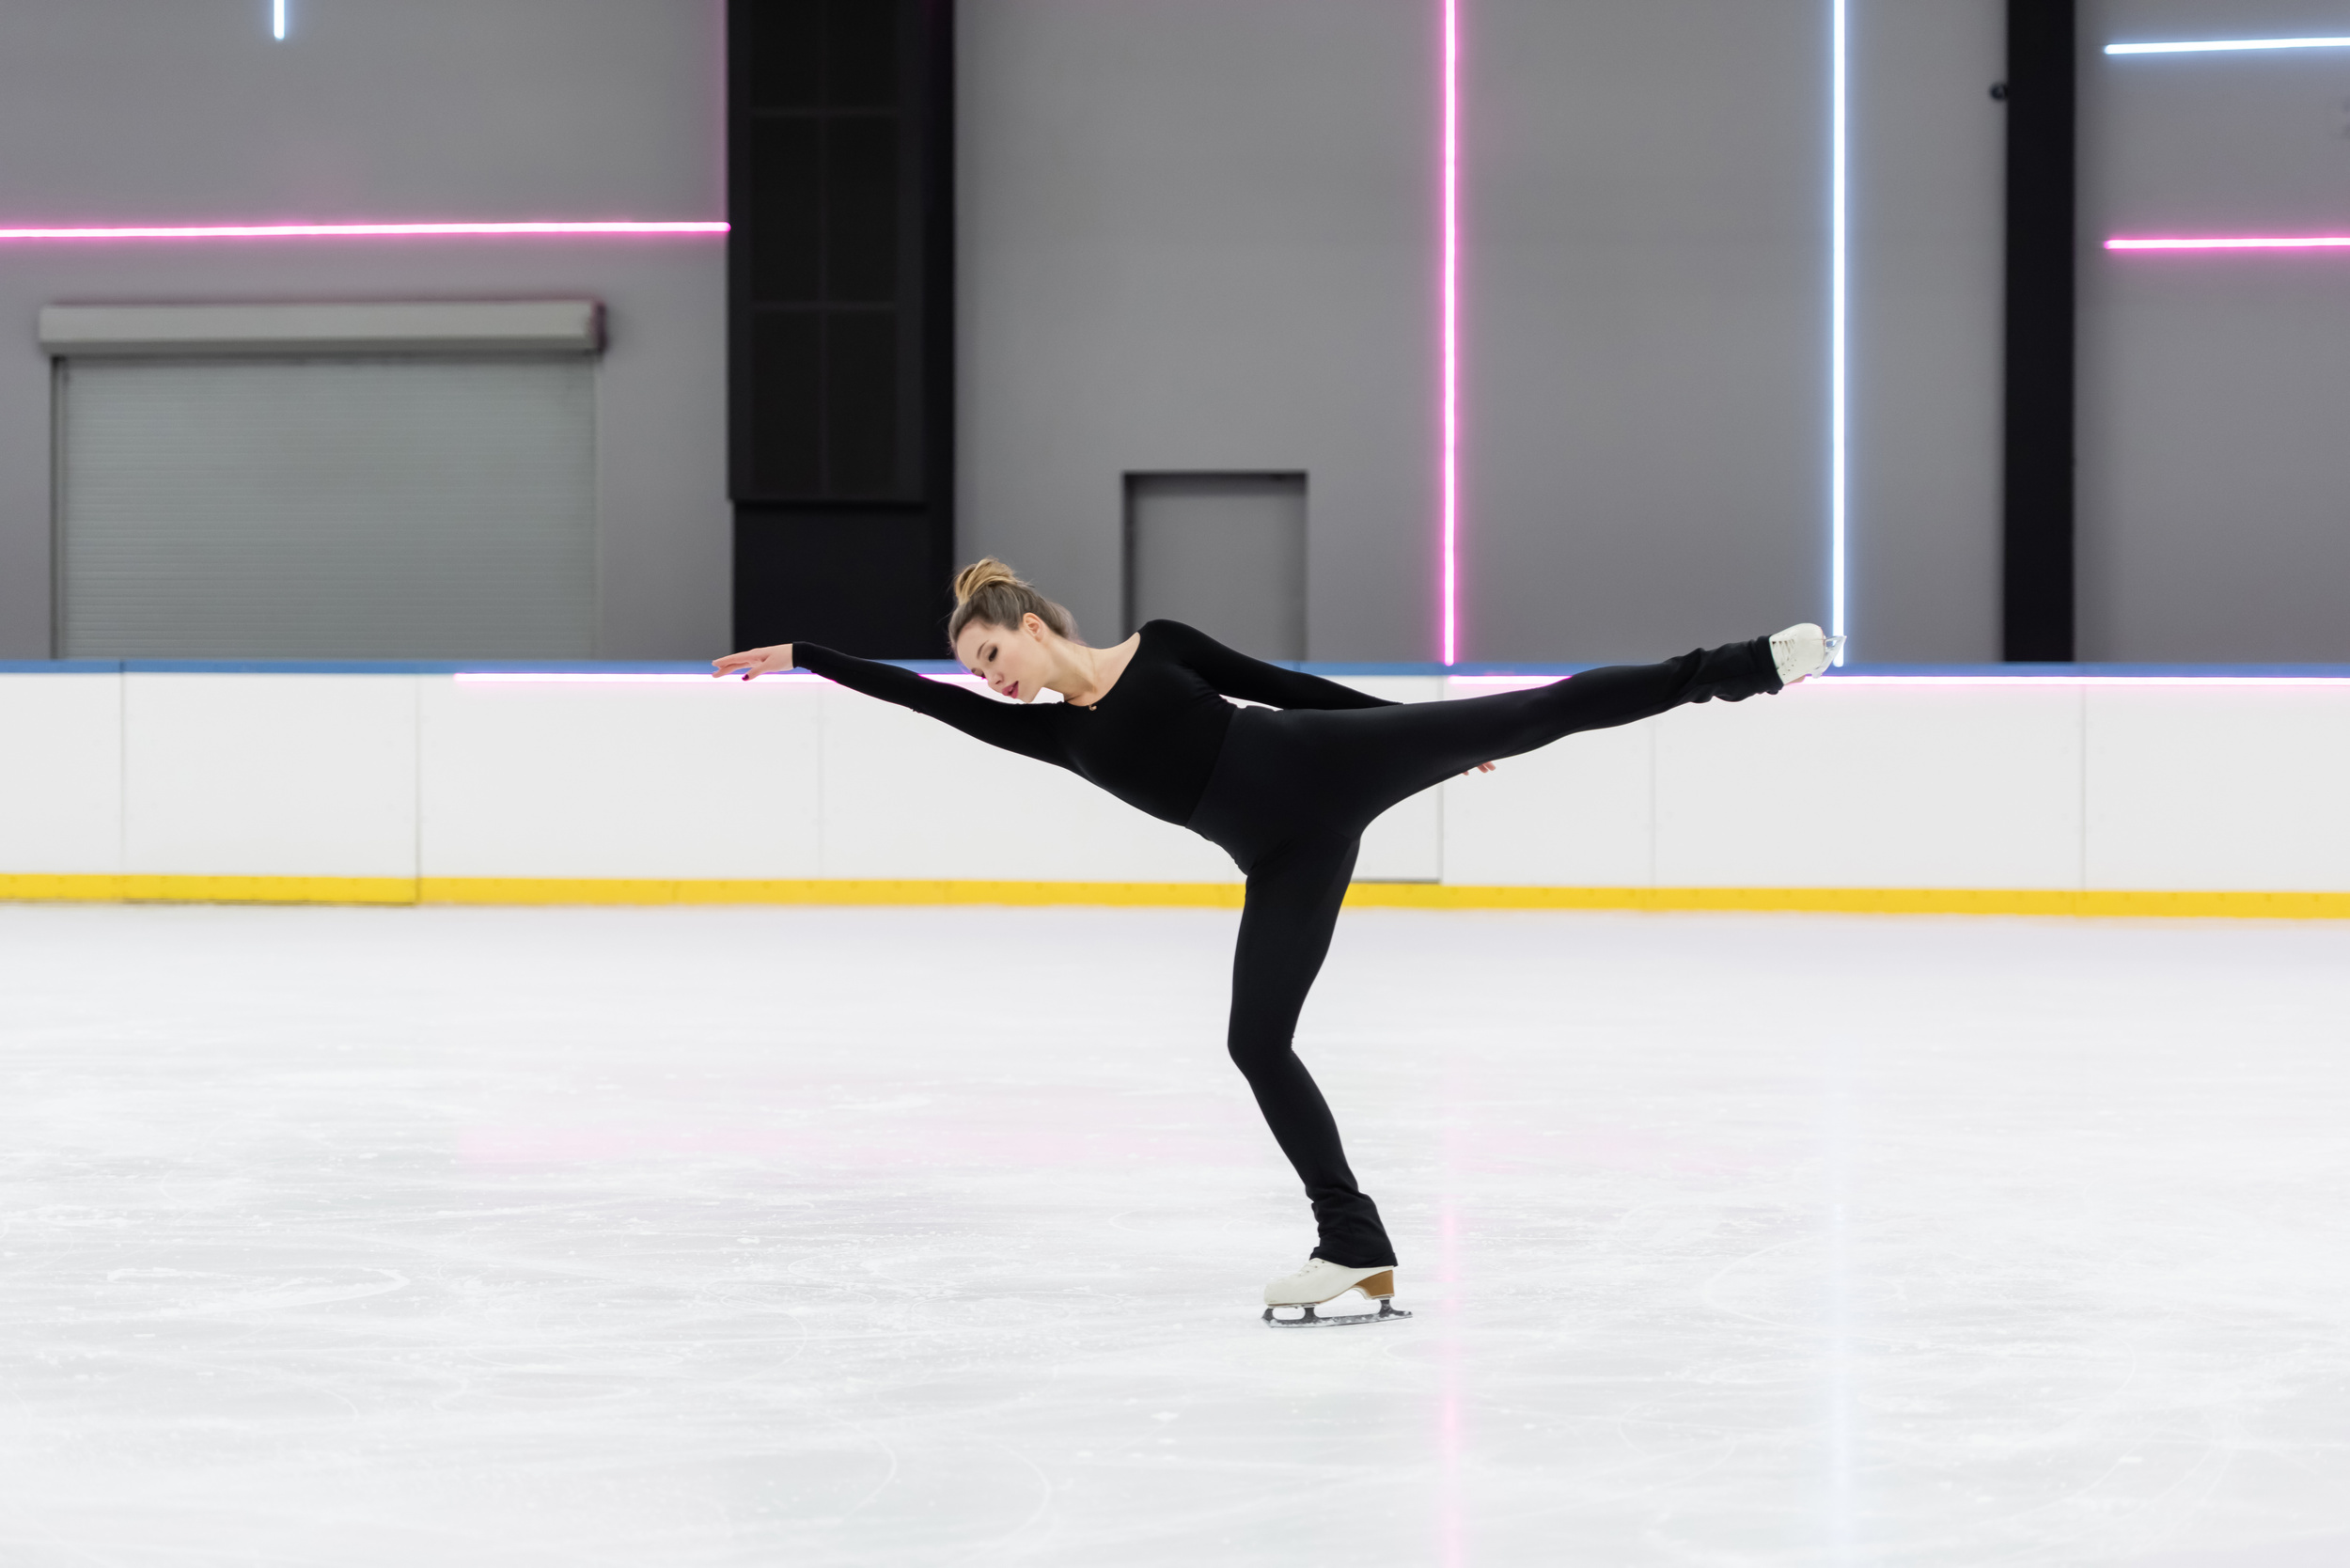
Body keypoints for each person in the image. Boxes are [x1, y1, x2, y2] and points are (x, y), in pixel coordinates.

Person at [715, 559, 1834, 1325]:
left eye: (993, 651)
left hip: (1324, 763)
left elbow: (1283, 688)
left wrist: (1406, 735)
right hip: (1286, 857)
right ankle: (1353, 1247)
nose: (988, 677)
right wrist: (809, 654)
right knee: (1257, 1044)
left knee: (1532, 711)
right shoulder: (1049, 740)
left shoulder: (1163, 646)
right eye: (976, 668)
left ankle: (1742, 667)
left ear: (1035, 627)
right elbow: (916, 703)